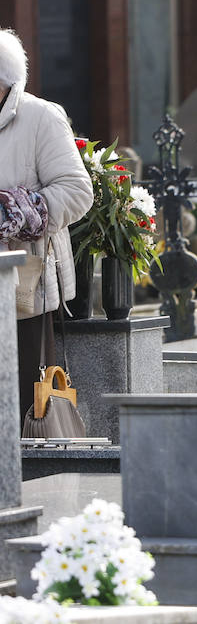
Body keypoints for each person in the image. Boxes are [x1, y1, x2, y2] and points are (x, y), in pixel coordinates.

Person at [0, 29, 94, 420]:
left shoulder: (40, 116)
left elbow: (77, 191)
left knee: (23, 403)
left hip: (25, 289)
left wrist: (14, 212)